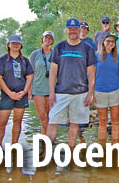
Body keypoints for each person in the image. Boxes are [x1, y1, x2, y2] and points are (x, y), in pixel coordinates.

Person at [47, 18, 97, 149]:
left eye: (75, 29)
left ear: (79, 30)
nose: (73, 31)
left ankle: (70, 150)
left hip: (81, 93)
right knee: (52, 121)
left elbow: (91, 72)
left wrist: (90, 93)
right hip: (60, 92)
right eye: (70, 29)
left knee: (75, 123)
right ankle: (47, 151)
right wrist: (51, 93)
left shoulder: (87, 48)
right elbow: (53, 71)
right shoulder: (59, 47)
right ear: (66, 30)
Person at [0, 34, 34, 145]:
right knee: (2, 122)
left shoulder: (25, 61)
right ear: (9, 45)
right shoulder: (3, 60)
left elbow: (29, 77)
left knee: (17, 121)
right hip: (7, 95)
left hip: (22, 95)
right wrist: (9, 93)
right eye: (13, 43)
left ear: (21, 45)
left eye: (18, 43)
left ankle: (14, 145)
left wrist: (25, 91)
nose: (15, 45)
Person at [94, 31, 119, 143]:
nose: (110, 43)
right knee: (102, 121)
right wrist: (91, 94)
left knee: (115, 121)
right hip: (100, 92)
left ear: (115, 44)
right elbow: (92, 77)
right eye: (108, 41)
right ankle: (102, 147)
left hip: (115, 92)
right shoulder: (95, 57)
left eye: (113, 41)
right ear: (103, 42)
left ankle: (115, 147)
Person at [30, 31, 54, 135]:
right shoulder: (35, 54)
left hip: (51, 90)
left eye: (50, 38)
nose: (47, 40)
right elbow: (30, 72)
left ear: (52, 41)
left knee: (50, 118)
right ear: (42, 38)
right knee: (43, 118)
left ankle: (46, 142)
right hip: (37, 89)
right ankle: (46, 142)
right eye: (46, 37)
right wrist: (29, 90)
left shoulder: (55, 54)